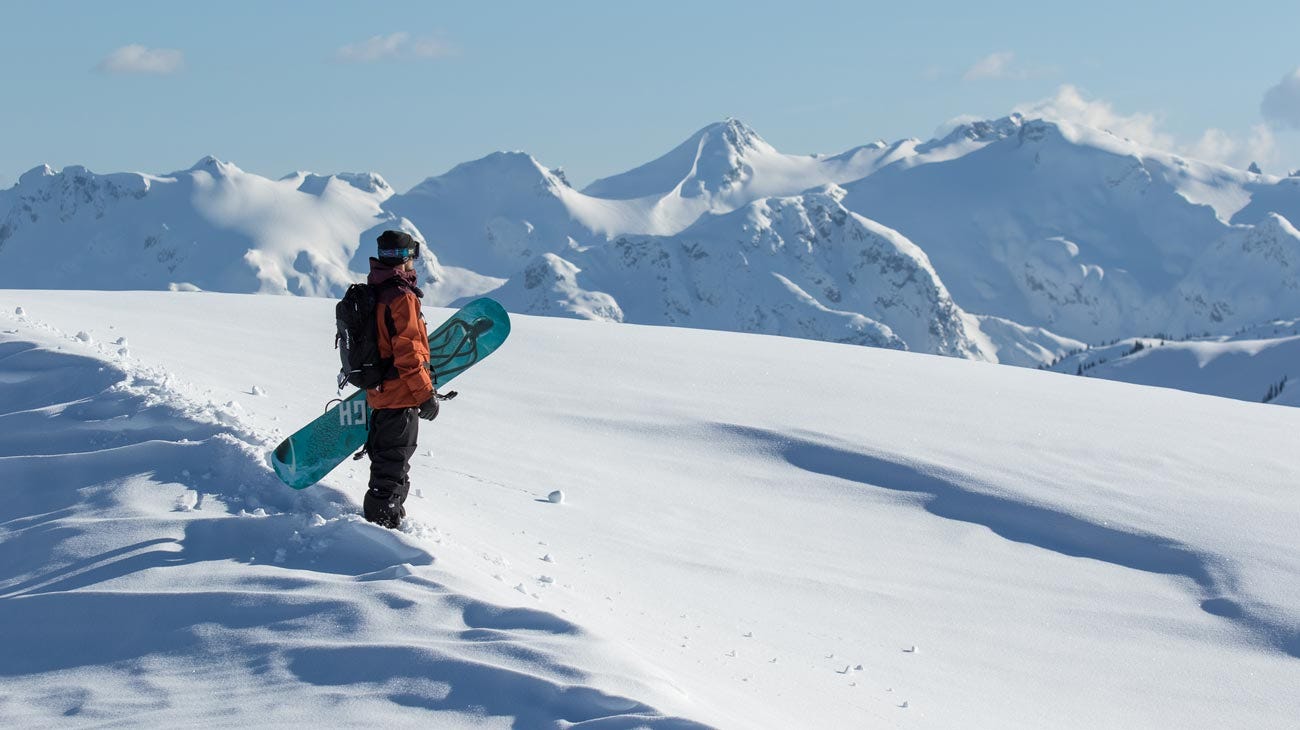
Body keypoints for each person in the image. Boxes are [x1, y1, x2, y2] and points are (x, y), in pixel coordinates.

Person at [363, 230, 440, 528]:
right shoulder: (401, 297)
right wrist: (424, 394)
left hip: (381, 392)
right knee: (392, 466)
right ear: (406, 257)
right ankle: (382, 527)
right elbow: (409, 352)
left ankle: (385, 518)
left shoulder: (376, 288)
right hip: (400, 394)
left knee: (387, 461)